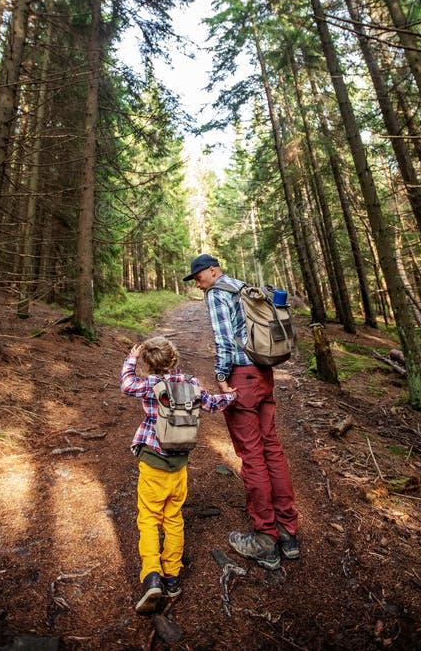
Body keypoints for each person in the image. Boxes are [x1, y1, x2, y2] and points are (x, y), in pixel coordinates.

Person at [183, 253, 299, 571]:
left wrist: (221, 377)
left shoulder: (219, 293)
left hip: (241, 378)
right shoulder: (243, 288)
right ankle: (288, 532)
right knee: (271, 449)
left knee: (253, 455)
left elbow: (224, 340)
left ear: (213, 271)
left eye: (199, 276)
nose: (198, 282)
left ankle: (265, 538)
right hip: (263, 374)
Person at [120, 334, 236, 615]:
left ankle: (152, 576)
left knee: (148, 518)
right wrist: (232, 395)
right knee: (173, 517)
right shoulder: (191, 384)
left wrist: (132, 359)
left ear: (148, 363)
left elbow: (126, 384)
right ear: (176, 360)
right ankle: (172, 577)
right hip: (178, 463)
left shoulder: (150, 385)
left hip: (151, 462)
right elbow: (214, 402)